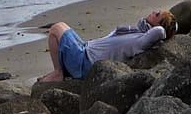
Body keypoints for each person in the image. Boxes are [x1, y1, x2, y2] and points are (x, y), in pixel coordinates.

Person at [39, 10, 177, 82]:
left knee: (56, 28)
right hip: (85, 48)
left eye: (157, 15)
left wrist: (169, 26)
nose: (153, 12)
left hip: (84, 63)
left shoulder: (142, 40)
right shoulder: (139, 32)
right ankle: (62, 71)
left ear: (158, 25)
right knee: (62, 25)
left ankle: (58, 73)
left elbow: (161, 31)